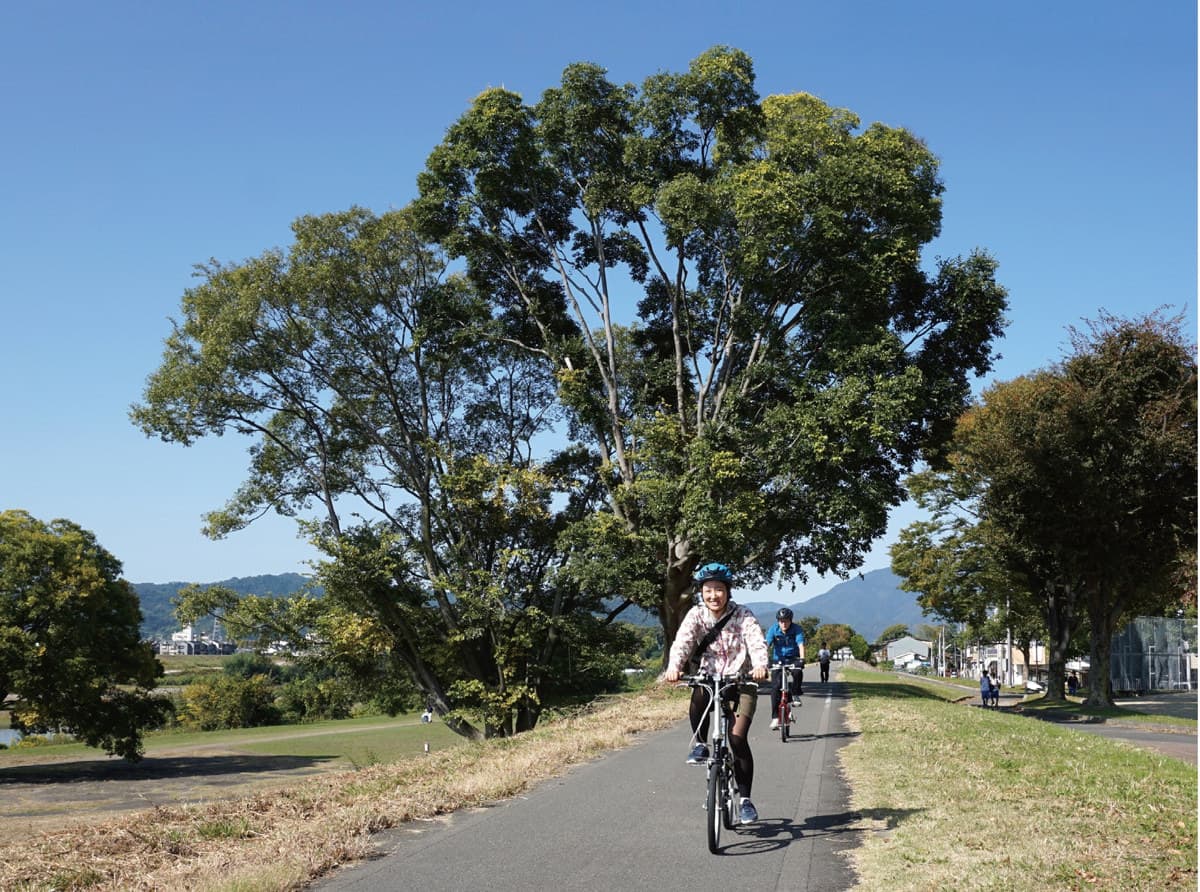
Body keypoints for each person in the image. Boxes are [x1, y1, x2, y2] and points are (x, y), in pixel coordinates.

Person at [663, 562, 769, 825]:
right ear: (701, 592)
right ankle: (700, 743)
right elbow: (683, 642)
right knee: (700, 691)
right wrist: (674, 667)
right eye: (708, 590)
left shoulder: (742, 614)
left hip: (741, 679)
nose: (714, 596)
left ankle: (745, 800)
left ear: (728, 591)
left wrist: (760, 665)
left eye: (719, 590)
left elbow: (755, 640)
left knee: (737, 738)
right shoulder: (696, 615)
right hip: (710, 676)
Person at [764, 608, 806, 730]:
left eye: (786, 621)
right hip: (778, 659)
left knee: (797, 672)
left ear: (790, 621)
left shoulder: (796, 629)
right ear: (778, 621)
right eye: (781, 621)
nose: (783, 624)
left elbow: (800, 644)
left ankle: (796, 693)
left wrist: (802, 659)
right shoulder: (773, 629)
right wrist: (762, 659)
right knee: (775, 688)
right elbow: (766, 644)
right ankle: (775, 717)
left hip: (793, 658)